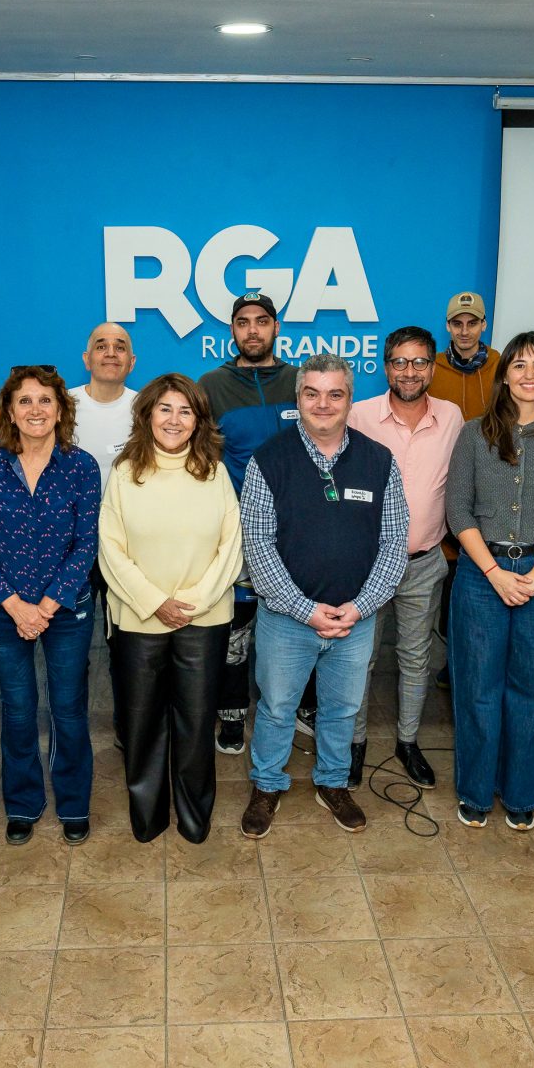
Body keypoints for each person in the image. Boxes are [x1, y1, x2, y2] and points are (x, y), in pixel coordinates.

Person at [237, 354, 408, 839]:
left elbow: (395, 543)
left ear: (350, 400)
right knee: (276, 708)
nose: (323, 403)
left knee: (343, 709)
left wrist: (360, 606)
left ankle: (332, 783)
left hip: (356, 620)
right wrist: (307, 610)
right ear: (298, 400)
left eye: (335, 394)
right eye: (312, 393)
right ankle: (268, 783)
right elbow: (258, 546)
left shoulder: (379, 462)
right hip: (288, 620)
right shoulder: (268, 461)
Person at [446, 332, 534, 831]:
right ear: (503, 374)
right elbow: (456, 510)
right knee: (477, 687)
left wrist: (532, 576)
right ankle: (475, 791)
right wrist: (494, 573)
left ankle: (524, 793)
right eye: (519, 365)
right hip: (480, 576)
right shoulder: (473, 433)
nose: (529, 374)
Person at [99, 374, 242, 842]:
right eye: (165, 409)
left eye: (185, 411)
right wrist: (156, 602)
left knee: (196, 723)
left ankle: (194, 818)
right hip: (139, 618)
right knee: (141, 724)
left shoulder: (215, 472)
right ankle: (148, 817)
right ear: (147, 415)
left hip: (204, 620)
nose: (175, 420)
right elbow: (110, 550)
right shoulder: (124, 473)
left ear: (199, 419)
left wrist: (193, 603)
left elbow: (232, 547)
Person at [0, 364, 102, 844]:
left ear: (61, 408)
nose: (35, 409)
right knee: (20, 710)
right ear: (9, 409)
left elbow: (86, 544)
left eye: (45, 400)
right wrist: (14, 606)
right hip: (2, 612)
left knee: (68, 709)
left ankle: (73, 804)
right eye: (24, 400)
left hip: (65, 611)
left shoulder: (81, 465)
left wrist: (44, 607)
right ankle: (23, 804)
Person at [349, 324, 464, 788]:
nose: (409, 371)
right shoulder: (359, 415)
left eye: (419, 362)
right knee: (360, 659)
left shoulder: (453, 417)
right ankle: (354, 745)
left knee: (416, 659)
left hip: (424, 562)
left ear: (432, 367)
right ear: (385, 367)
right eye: (399, 362)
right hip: (367, 565)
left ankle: (408, 741)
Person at [197, 291, 299, 755]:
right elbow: (201, 459)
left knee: (296, 624)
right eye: (243, 322)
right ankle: (232, 714)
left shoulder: (301, 381)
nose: (253, 330)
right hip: (237, 532)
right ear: (232, 330)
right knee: (235, 629)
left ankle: (299, 707)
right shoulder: (210, 385)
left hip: (299, 532)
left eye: (262, 321)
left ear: (276, 327)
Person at [71, 321, 139, 480]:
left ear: (132, 363)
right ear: (86, 359)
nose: (111, 353)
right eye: (101, 347)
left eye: (120, 348)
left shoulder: (145, 407)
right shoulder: (62, 404)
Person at [429, 291, 500, 425]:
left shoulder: (500, 365)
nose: (464, 332)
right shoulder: (431, 367)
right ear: (448, 326)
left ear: (483, 324)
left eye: (472, 324)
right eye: (457, 324)